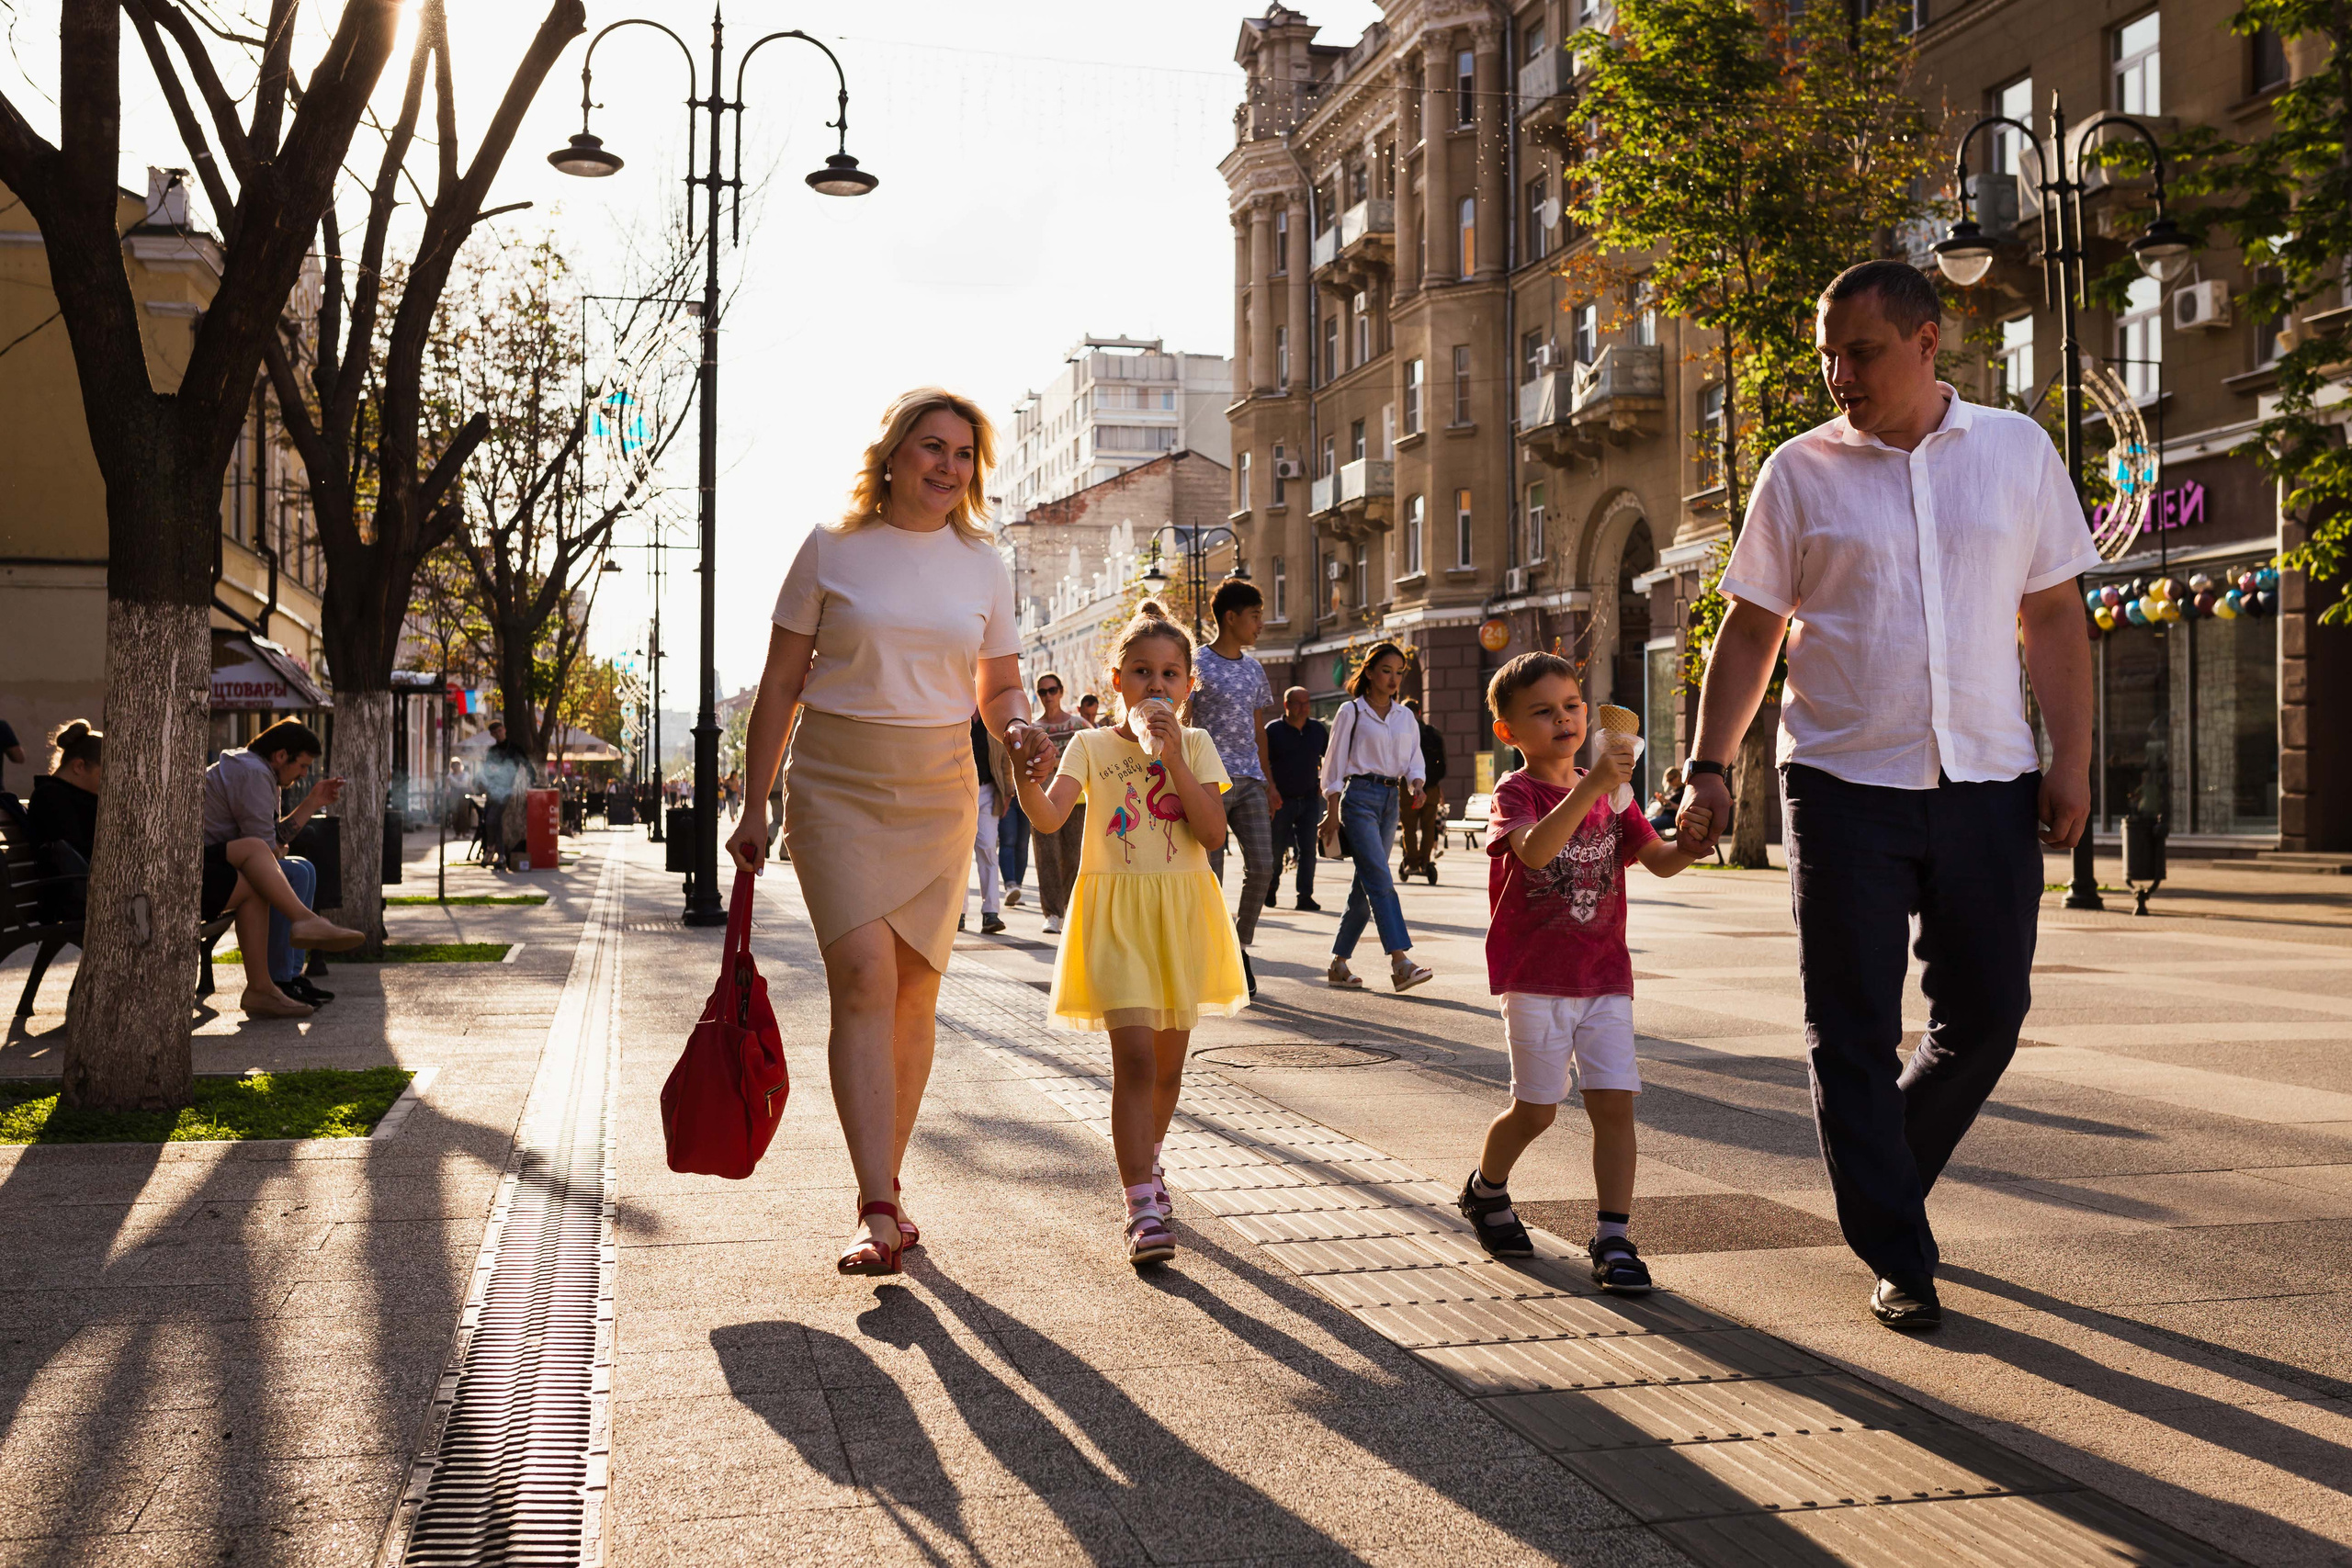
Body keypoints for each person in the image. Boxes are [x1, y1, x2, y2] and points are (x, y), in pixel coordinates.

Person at [1679, 260, 2098, 1333]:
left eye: (1858, 352)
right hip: (1839, 783)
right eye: (1825, 353)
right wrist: (1708, 766)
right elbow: (1752, 628)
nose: (1837, 375)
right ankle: (1900, 1255)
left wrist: (2072, 758)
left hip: (1987, 780)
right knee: (1851, 1030)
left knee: (1989, 1016)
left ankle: (1881, 1181)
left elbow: (2051, 615)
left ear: (1927, 341)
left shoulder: (2014, 451)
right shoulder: (1799, 470)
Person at [727, 387, 1055, 1278]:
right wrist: (755, 805)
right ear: (893, 454)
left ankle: (889, 1184)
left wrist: (1019, 726)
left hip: (940, 790)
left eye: (962, 455)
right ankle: (875, 1205)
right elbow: (781, 684)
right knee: (865, 975)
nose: (947, 467)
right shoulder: (831, 550)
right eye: (931, 447)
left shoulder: (985, 565)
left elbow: (998, 685)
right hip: (835, 786)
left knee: (914, 992)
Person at [1454, 653, 1716, 1291]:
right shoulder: (1516, 793)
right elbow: (1537, 849)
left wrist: (1691, 842)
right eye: (1542, 711)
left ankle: (1614, 1235)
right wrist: (1591, 787)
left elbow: (1655, 858)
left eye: (1572, 704)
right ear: (1509, 732)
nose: (1564, 718)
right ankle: (1486, 1190)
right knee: (1537, 1110)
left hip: (1604, 976)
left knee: (1614, 1105)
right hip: (1535, 977)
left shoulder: (1612, 792)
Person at [1014, 600, 1246, 1267]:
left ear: (1188, 686)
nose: (1157, 686)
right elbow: (1051, 817)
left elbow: (1211, 831)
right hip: (1117, 918)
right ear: (1116, 681)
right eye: (1142, 672)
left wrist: (1171, 756)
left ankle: (1150, 1158)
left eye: (1171, 674)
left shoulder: (1196, 745)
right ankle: (1140, 1199)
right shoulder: (1088, 745)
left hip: (1181, 918)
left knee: (1170, 1071)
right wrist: (1024, 777)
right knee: (1136, 1063)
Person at [201, 718, 365, 1018]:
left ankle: (289, 975)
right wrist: (276, 849)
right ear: (280, 756)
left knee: (303, 867)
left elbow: (272, 841)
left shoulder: (258, 771)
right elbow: (268, 847)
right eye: (301, 765)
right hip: (203, 864)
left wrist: (313, 802)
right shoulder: (252, 773)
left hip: (221, 858)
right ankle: (280, 978)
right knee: (295, 872)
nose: (303, 774)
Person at [1186, 577, 1282, 998]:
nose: (1260, 624)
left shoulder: (1254, 668)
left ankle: (1238, 944)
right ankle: (1213, 956)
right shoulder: (1196, 664)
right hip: (1208, 783)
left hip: (1251, 783)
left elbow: (1258, 729)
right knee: (1212, 876)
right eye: (1255, 616)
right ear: (1231, 617)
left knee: (1263, 866)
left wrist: (1270, 781)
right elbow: (1184, 721)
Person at [1318, 643, 1432, 992]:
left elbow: (1414, 758)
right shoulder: (1350, 712)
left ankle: (1338, 963)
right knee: (1380, 880)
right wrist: (1332, 811)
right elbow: (1334, 764)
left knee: (1365, 884)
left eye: (1399, 672)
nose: (1394, 678)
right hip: (1359, 799)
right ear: (1369, 672)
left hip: (1390, 800)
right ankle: (1401, 962)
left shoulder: (1405, 717)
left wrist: (1417, 783)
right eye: (1387, 670)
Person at [1029, 671, 1091, 934]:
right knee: (1047, 856)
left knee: (1074, 854)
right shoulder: (1034, 729)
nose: (1048, 697)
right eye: (1042, 692)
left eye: (1052, 690)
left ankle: (1068, 906)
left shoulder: (1079, 725)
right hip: (1042, 801)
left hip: (1076, 801)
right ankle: (1052, 913)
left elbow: (1092, 758)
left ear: (1062, 692)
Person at [26, 719, 101, 921]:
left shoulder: (72, 795)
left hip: (88, 889)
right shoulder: (50, 797)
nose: (107, 784)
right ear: (79, 766)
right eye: (104, 775)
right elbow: (79, 849)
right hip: (75, 897)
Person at [1264, 686, 1329, 911]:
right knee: (1276, 847)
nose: (1303, 708)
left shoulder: (1317, 730)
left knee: (1308, 850)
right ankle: (1270, 888)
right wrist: (1270, 790)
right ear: (1286, 705)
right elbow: (1263, 763)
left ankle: (1305, 896)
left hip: (1310, 799)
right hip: (1281, 800)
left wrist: (1324, 781)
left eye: (1306, 703)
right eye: (1298, 703)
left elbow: (1329, 757)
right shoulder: (1273, 731)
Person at [965, 712, 1012, 936]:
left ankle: (991, 913)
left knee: (987, 850)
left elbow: (1004, 758)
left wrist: (1007, 793)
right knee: (958, 855)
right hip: (956, 792)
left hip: (988, 791)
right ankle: (958, 913)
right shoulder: (957, 711)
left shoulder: (991, 715)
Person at [1396, 696, 1449, 884]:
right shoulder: (1433, 733)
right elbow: (1442, 764)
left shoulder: (1402, 732)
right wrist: (1431, 783)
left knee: (1409, 828)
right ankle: (1425, 862)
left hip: (1407, 787)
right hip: (1432, 788)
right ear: (1419, 713)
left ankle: (1412, 862)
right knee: (1428, 827)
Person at [1646, 767, 1685, 836]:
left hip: (1673, 817)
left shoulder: (1683, 791)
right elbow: (1667, 806)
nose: (1670, 783)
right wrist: (1662, 801)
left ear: (1678, 777)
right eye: (1668, 780)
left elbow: (1682, 809)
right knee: (1645, 822)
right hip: (1665, 815)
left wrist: (1667, 802)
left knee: (1648, 825)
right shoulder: (1673, 791)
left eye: (1671, 780)